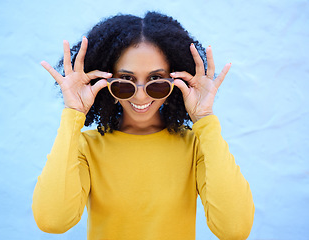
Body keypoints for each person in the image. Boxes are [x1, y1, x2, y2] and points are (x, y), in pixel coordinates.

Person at [32, 11, 255, 240]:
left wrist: (204, 118)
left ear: (175, 82)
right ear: (105, 84)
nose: (140, 96)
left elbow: (234, 229)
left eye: (156, 81)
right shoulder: (86, 148)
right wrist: (73, 114)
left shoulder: (196, 146)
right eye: (125, 82)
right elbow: (52, 221)